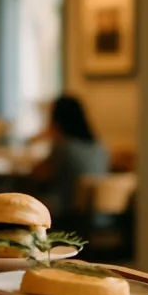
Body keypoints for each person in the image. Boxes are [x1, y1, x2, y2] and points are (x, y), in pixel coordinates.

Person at [29, 94, 110, 222]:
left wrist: (45, 137)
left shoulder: (64, 147)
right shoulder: (100, 147)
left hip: (69, 214)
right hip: (102, 216)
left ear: (57, 119)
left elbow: (39, 174)